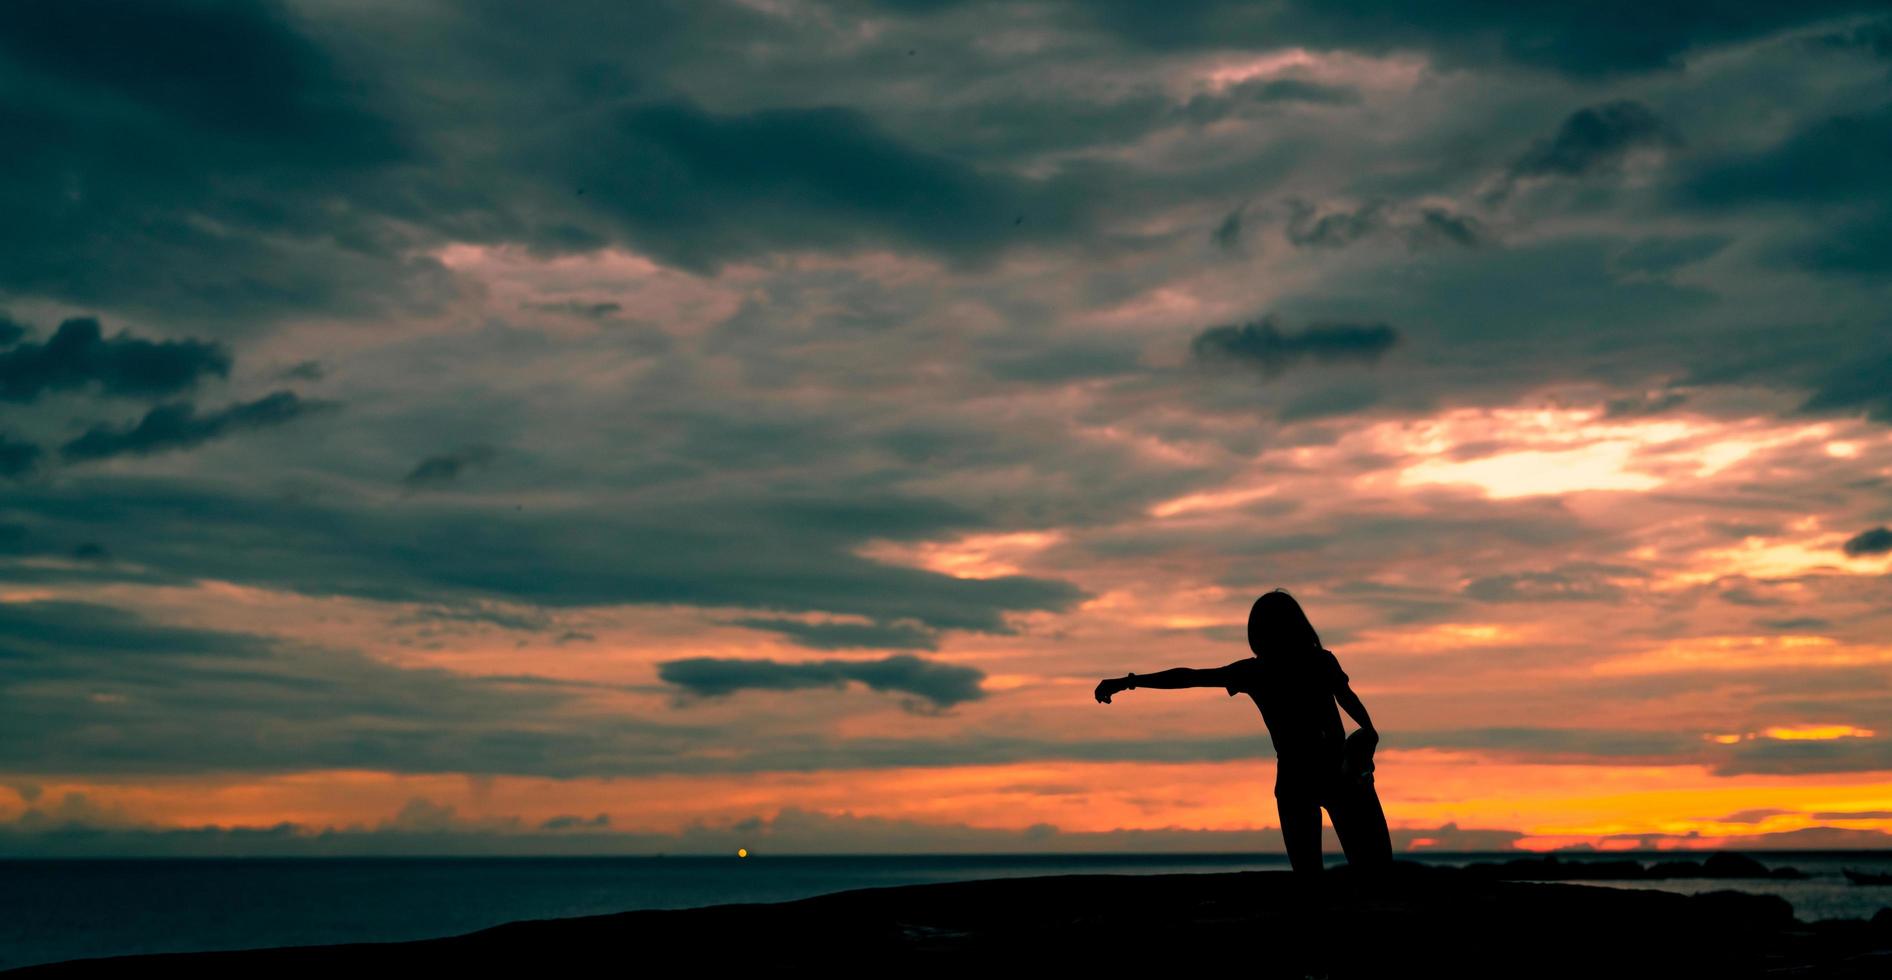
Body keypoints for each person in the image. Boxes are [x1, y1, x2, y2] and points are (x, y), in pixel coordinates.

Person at [1092, 589, 1392, 879]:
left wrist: (1128, 682)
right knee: (1372, 875)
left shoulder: (1265, 670)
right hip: (1328, 773)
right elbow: (1348, 699)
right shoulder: (1316, 662)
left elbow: (1189, 677)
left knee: (1319, 879)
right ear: (1300, 625)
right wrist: (1369, 732)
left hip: (1308, 776)